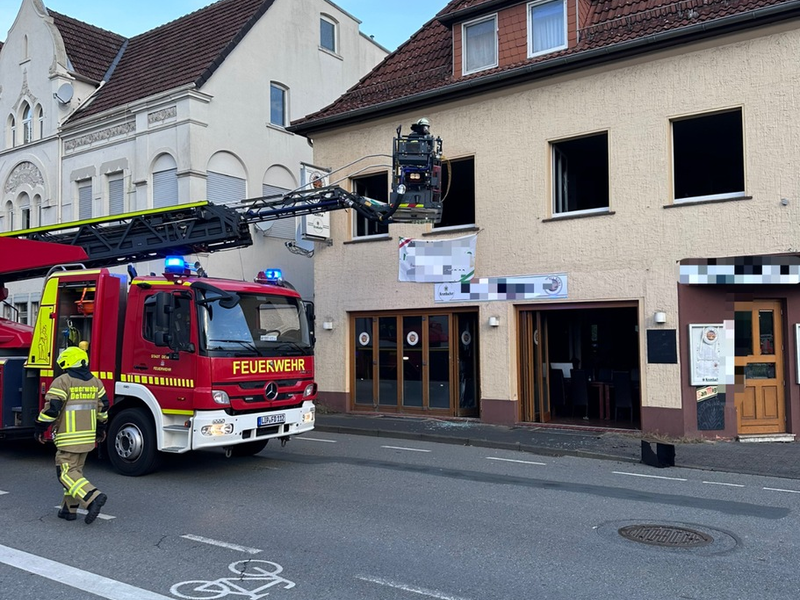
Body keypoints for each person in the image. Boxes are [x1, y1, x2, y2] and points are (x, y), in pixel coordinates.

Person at [34, 347, 109, 524]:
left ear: (67, 362)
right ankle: (69, 510)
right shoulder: (96, 382)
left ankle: (93, 497)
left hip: (68, 438)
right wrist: (100, 430)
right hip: (88, 438)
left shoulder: (63, 381)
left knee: (65, 474)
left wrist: (39, 427)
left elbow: (52, 409)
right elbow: (103, 409)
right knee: (75, 472)